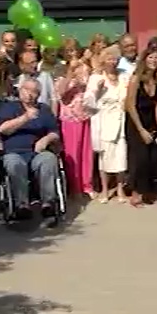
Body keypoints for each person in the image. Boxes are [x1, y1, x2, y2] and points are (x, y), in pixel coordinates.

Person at [0, 78, 63, 227]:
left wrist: (45, 139)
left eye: (34, 91)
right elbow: (2, 129)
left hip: (37, 152)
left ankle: (48, 205)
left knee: (49, 160)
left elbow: (55, 132)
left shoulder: (44, 109)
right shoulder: (9, 107)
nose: (30, 94)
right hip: (14, 152)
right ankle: (22, 205)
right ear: (20, 91)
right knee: (14, 164)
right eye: (26, 90)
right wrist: (25, 118)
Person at [85, 45, 130, 203]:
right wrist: (96, 91)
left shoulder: (124, 76)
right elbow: (88, 102)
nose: (113, 61)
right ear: (103, 61)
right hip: (103, 121)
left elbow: (128, 96)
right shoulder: (96, 78)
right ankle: (104, 189)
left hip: (121, 119)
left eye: (115, 59)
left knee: (121, 157)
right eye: (109, 58)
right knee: (105, 158)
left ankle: (120, 189)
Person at [125, 48, 157, 207]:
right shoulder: (136, 78)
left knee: (153, 158)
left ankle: (148, 190)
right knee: (139, 159)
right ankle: (135, 194)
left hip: (151, 121)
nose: (154, 60)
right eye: (151, 57)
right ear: (144, 59)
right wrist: (141, 130)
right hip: (136, 122)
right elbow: (129, 105)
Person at [57, 38, 94, 199]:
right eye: (68, 50)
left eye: (74, 50)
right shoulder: (60, 68)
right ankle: (75, 187)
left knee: (86, 153)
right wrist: (70, 73)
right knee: (72, 152)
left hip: (84, 113)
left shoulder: (85, 67)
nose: (72, 53)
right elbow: (61, 93)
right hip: (69, 115)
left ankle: (87, 185)